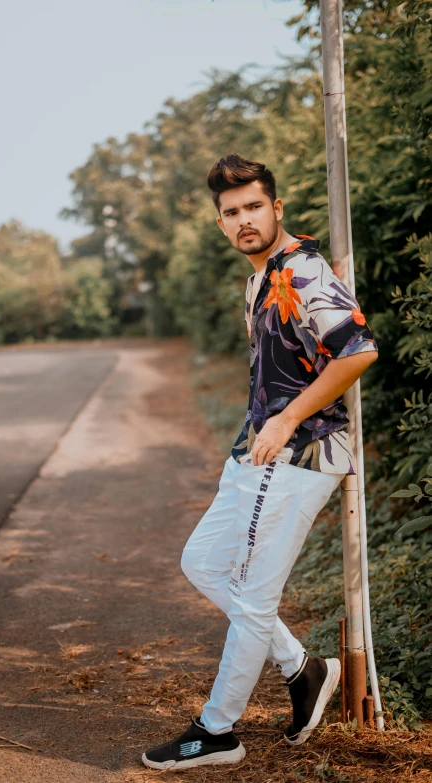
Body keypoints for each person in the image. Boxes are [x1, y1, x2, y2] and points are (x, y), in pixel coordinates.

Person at [142, 154, 378, 770]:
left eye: (253, 207)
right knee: (201, 561)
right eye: (230, 212)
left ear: (276, 209)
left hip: (301, 454)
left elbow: (357, 350)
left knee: (250, 598)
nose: (243, 219)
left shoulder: (302, 270)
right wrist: (262, 429)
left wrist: (287, 418)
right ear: (220, 223)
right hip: (258, 451)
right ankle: (303, 669)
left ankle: (218, 730)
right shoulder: (260, 277)